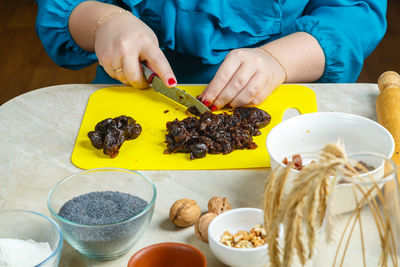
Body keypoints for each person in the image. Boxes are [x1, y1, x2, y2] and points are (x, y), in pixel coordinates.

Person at [35, 0, 387, 110]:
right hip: (136, 90)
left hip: (285, 92)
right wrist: (105, 22)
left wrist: (279, 60)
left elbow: (356, 13)